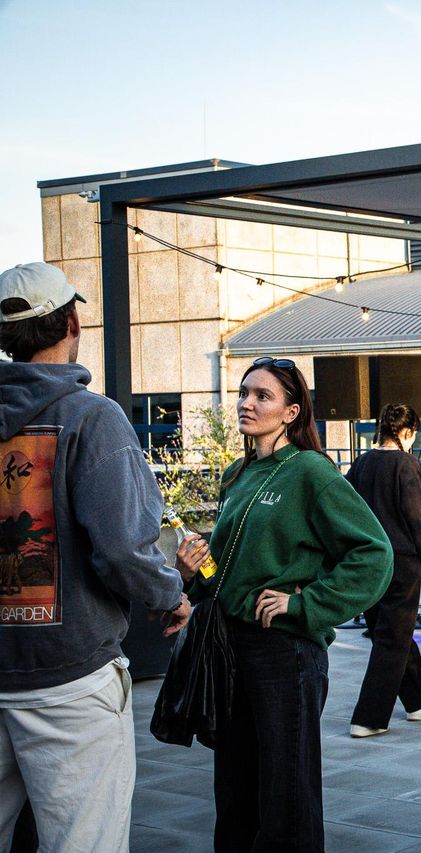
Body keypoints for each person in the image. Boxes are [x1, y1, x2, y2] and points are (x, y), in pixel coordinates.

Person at [0, 262, 190, 851]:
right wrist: (170, 594)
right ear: (73, 320)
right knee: (85, 840)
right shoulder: (92, 418)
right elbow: (124, 550)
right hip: (69, 673)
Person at [175, 356, 392, 851]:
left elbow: (373, 554)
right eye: (244, 393)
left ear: (292, 412)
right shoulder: (239, 473)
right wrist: (192, 573)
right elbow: (230, 570)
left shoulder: (311, 472)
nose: (247, 404)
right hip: (229, 649)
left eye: (263, 396)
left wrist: (306, 604)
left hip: (284, 654)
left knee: (285, 799)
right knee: (234, 793)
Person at [346, 403, 421, 738]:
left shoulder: (361, 463)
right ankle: (368, 718)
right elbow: (417, 517)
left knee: (389, 633)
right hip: (401, 561)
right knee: (392, 638)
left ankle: (418, 700)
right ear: (406, 432)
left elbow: (347, 508)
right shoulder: (406, 463)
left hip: (368, 560)